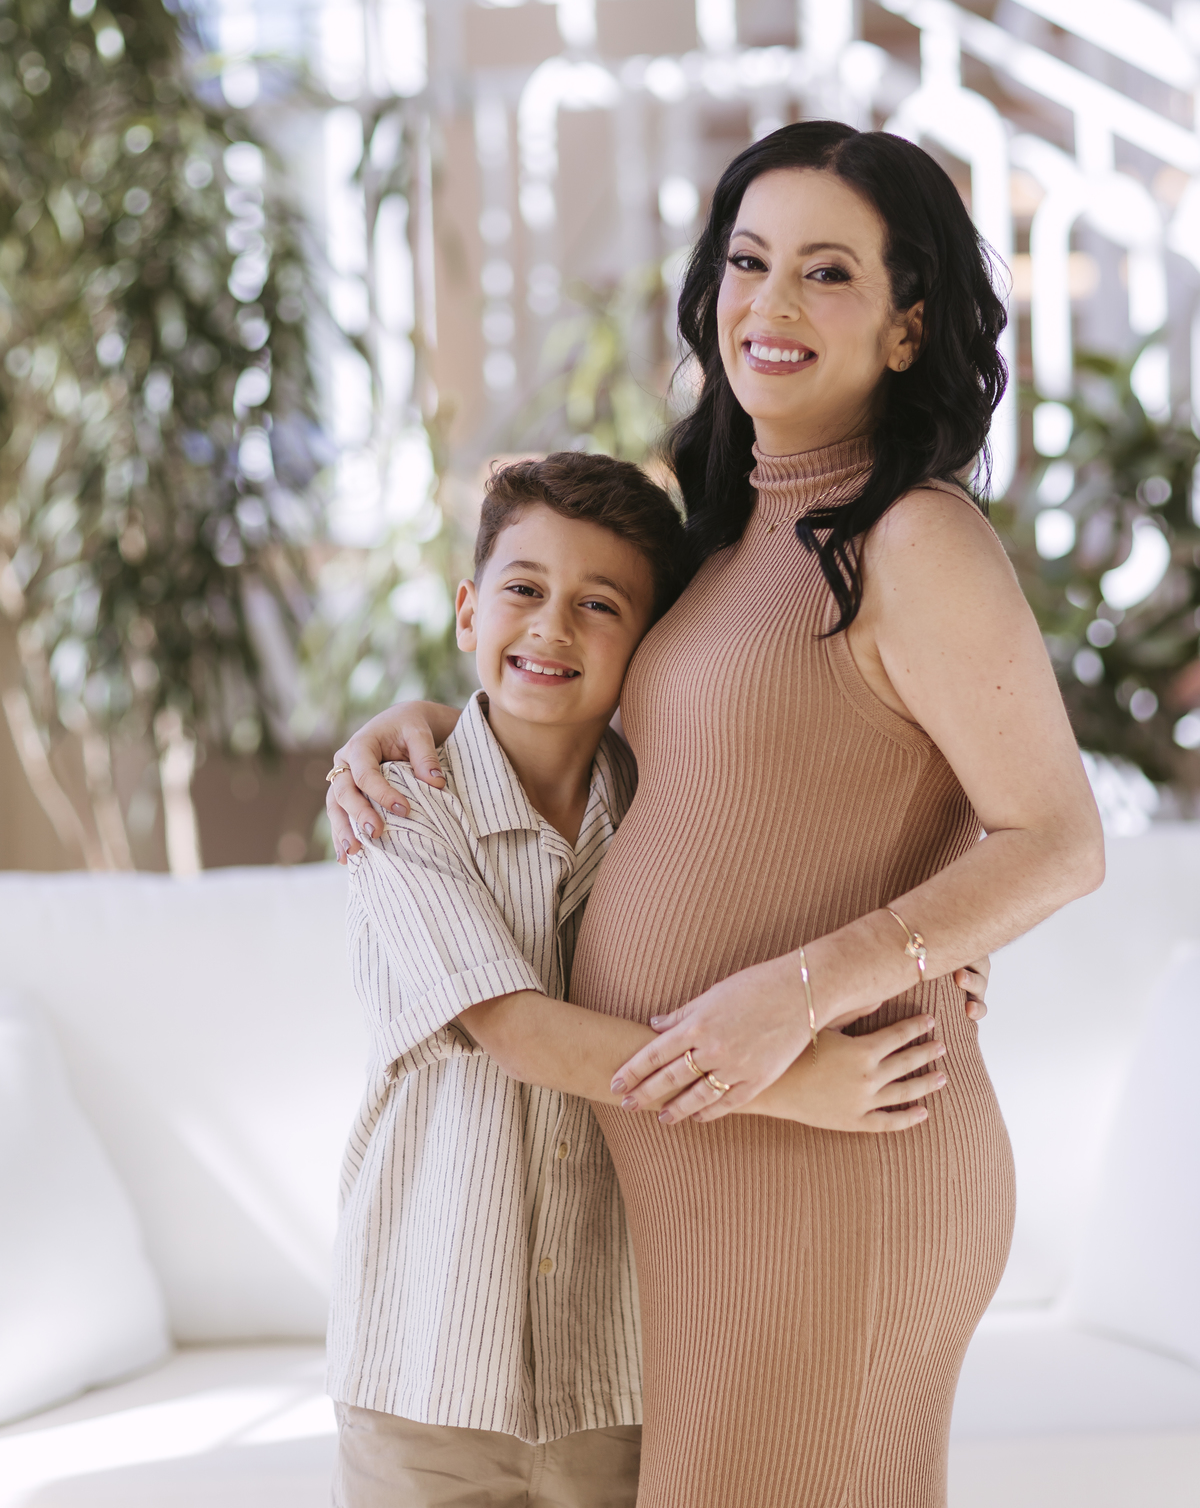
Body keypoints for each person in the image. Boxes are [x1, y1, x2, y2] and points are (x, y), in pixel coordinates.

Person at [327, 120, 1096, 1508]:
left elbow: (1056, 838)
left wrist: (802, 993)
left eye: (827, 273)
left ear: (909, 327)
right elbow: (706, 761)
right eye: (748, 263)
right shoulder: (731, 537)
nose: (771, 303)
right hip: (715, 1164)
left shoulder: (915, 536)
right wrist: (438, 717)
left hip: (837, 1151)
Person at [327, 447, 955, 1508]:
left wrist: (941, 951)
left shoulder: (676, 812)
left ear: (650, 644)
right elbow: (518, 1030)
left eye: (599, 605)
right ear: (469, 611)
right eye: (524, 590)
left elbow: (827, 862)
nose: (552, 628)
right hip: (424, 1372)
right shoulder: (399, 807)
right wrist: (791, 1080)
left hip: (621, 1371)